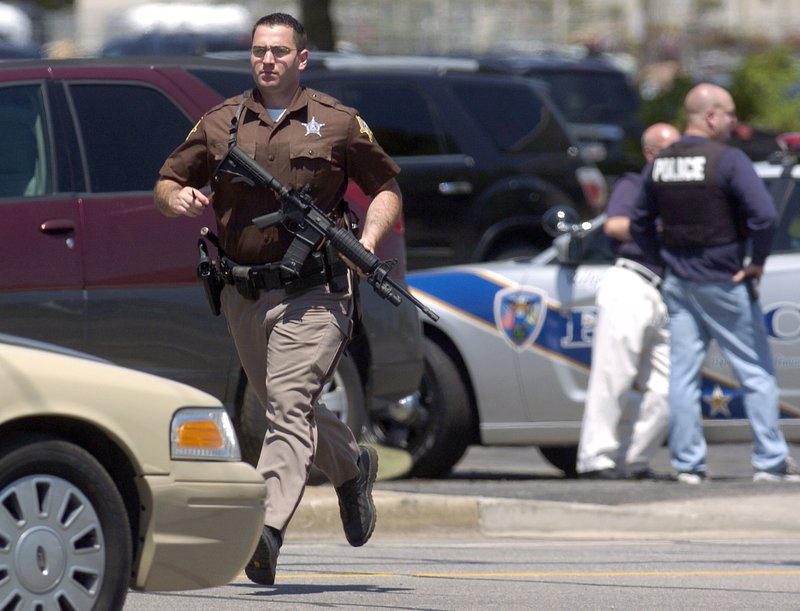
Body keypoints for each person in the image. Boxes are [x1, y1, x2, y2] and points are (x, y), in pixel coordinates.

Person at [154, 13, 403, 584]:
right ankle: (351, 465)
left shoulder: (337, 123)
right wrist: (180, 199)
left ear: (301, 59)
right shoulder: (219, 123)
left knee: (289, 405)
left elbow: (386, 186)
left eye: (280, 52)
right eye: (259, 51)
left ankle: (262, 532)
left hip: (317, 290)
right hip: (245, 292)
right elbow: (166, 183)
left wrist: (365, 243)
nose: (268, 60)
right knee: (289, 411)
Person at [630, 83, 799, 484]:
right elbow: (764, 217)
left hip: (679, 280)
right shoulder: (728, 160)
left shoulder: (661, 163)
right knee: (755, 372)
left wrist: (660, 260)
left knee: (683, 377)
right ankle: (770, 462)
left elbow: (639, 222)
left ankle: (688, 466)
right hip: (723, 278)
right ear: (710, 117)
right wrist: (755, 264)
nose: (734, 121)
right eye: (729, 113)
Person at [576, 123, 679, 481]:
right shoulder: (633, 184)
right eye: (670, 149)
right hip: (631, 279)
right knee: (613, 377)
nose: (678, 157)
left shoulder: (681, 190)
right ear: (651, 152)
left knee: (669, 385)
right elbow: (615, 225)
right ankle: (596, 458)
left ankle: (637, 458)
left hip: (666, 288)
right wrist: (664, 227)